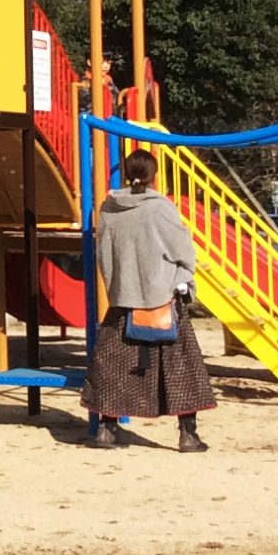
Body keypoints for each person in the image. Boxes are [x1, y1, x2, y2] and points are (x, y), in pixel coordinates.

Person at [81, 149, 217, 451]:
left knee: (113, 367)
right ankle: (187, 434)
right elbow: (182, 248)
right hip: (162, 298)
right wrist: (182, 279)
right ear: (154, 175)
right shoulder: (160, 208)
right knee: (180, 368)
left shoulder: (109, 208)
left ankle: (106, 429)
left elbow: (104, 252)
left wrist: (117, 284)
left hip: (123, 300)